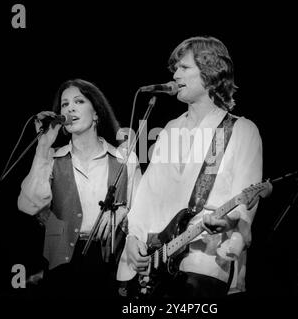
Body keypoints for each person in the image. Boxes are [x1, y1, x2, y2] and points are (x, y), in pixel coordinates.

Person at [118, 36, 263, 298]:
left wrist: (229, 220)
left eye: (184, 68)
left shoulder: (240, 130)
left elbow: (246, 203)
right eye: (175, 68)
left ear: (210, 72)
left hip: (204, 262)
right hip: (152, 264)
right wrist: (133, 238)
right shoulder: (170, 130)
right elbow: (148, 194)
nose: (175, 74)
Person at [18, 79, 142, 298]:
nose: (70, 108)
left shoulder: (125, 160)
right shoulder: (52, 159)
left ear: (96, 113)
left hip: (111, 263)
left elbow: (144, 215)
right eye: (64, 105)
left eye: (78, 101)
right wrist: (43, 147)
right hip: (62, 267)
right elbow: (29, 205)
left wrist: (124, 213)